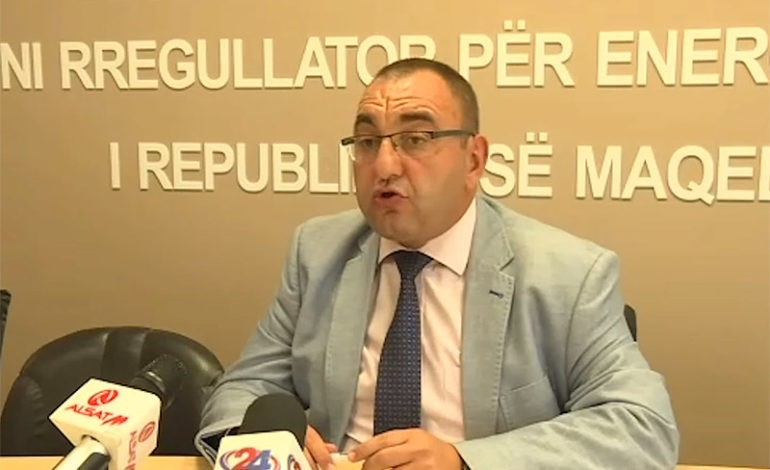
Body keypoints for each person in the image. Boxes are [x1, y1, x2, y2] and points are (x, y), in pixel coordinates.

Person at [196, 58, 679, 469]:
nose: (385, 165)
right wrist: (264, 438)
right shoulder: (317, 251)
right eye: (367, 142)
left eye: (416, 138)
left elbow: (642, 426)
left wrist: (464, 460)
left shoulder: (569, 274)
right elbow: (244, 388)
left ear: (474, 159)